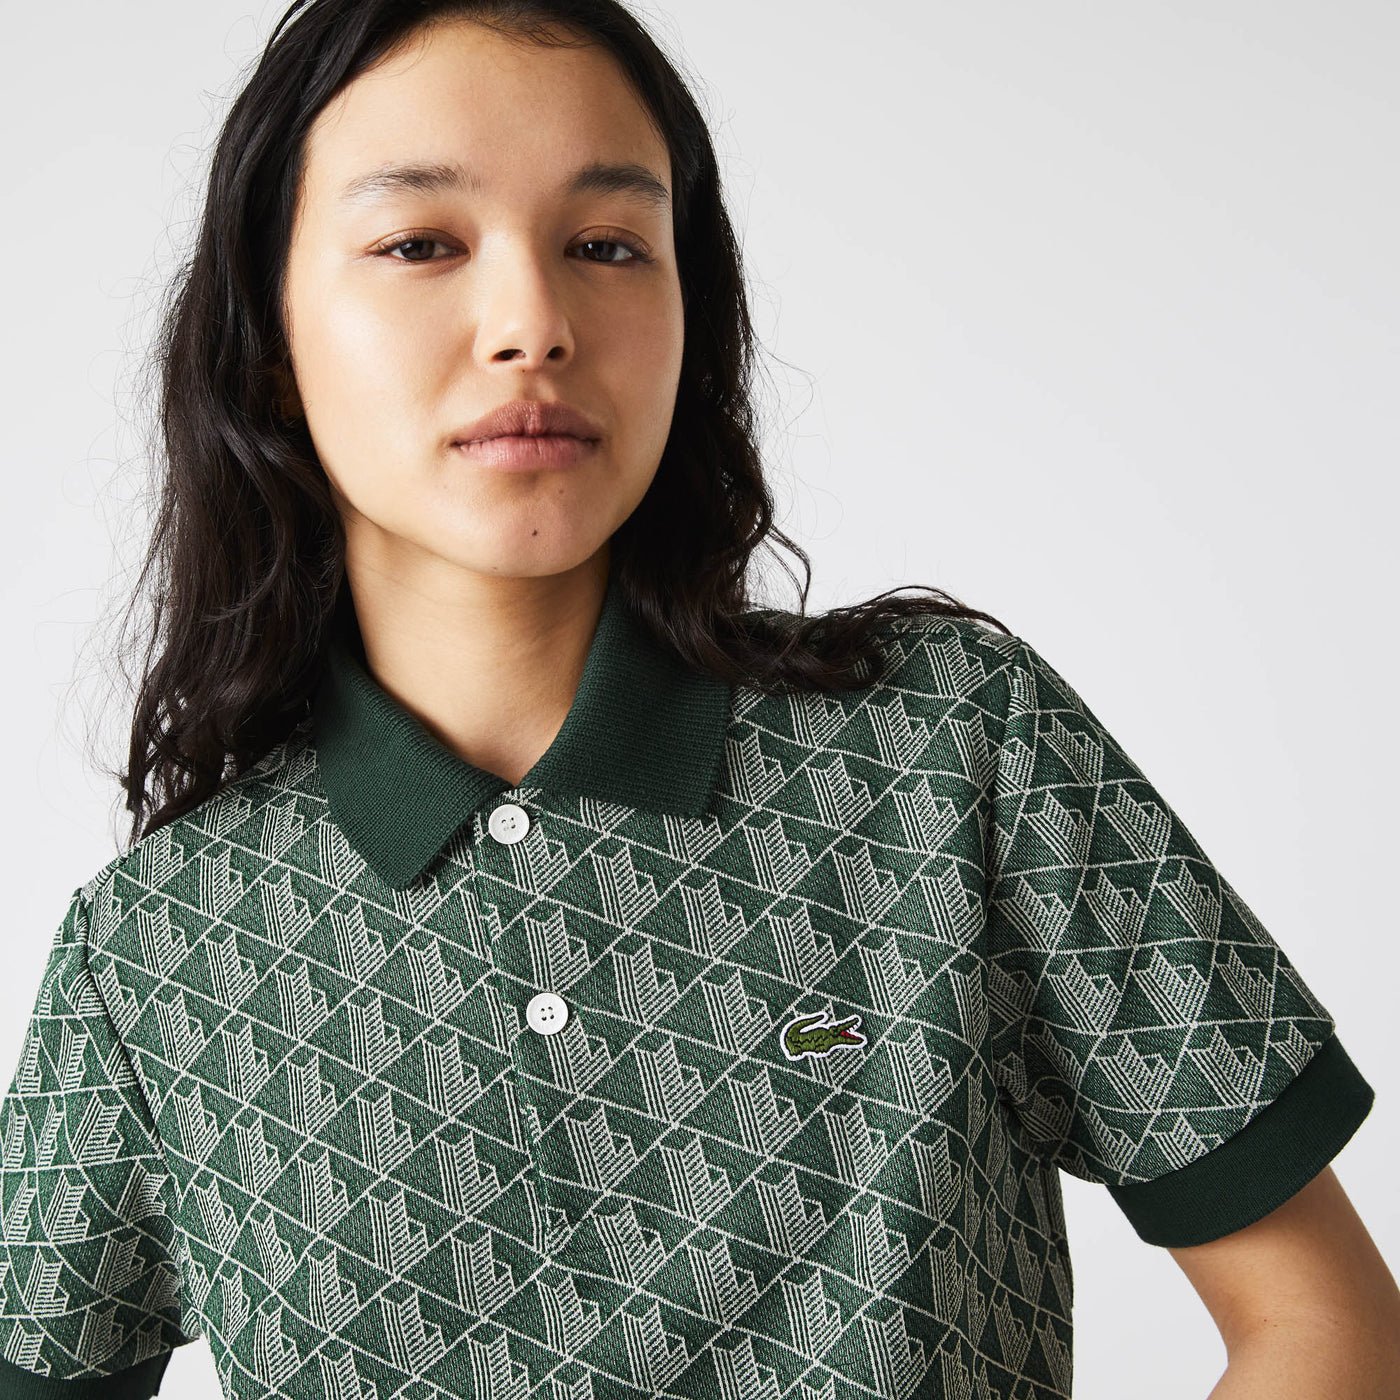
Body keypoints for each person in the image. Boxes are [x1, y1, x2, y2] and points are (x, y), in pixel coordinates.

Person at [1, 2, 1395, 1397]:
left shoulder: (957, 745)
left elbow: (1328, 1326)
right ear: (270, 340)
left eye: (608, 245)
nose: (533, 325)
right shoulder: (148, 957)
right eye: (421, 243)